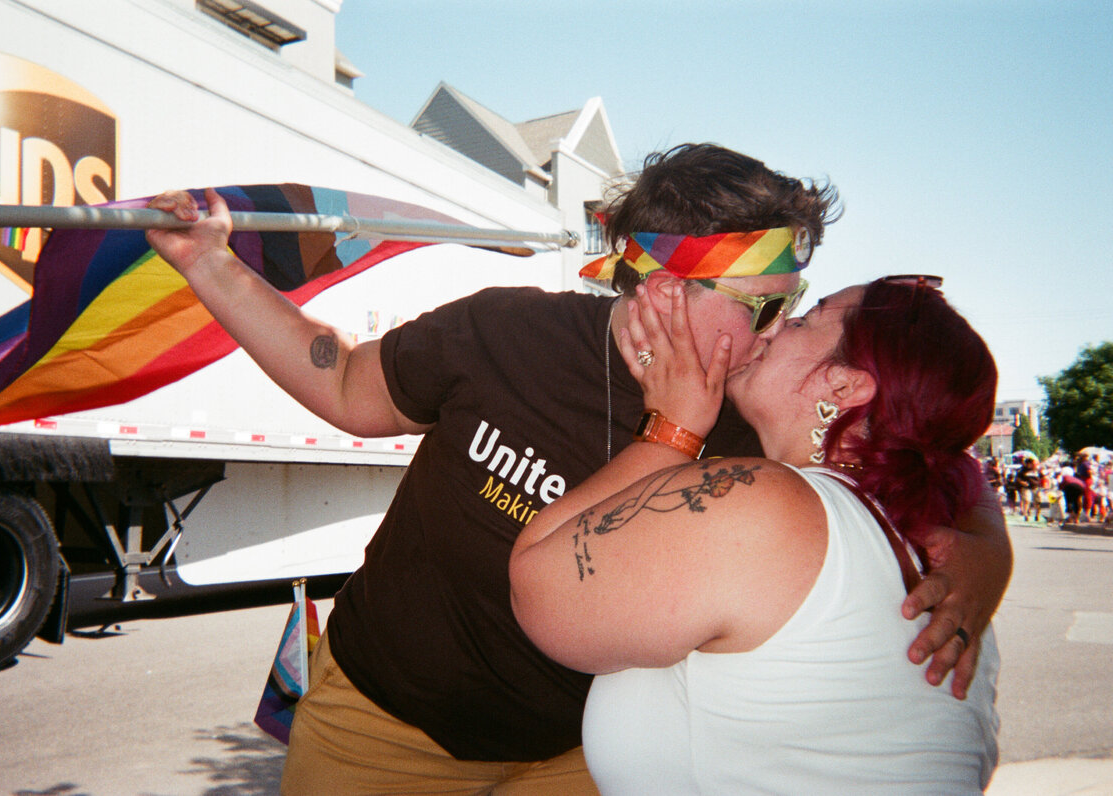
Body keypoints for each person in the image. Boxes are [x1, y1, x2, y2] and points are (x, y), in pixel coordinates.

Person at [145, 144, 1010, 793]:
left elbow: (935, 467)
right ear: (666, 288)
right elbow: (341, 383)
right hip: (384, 719)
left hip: (576, 756)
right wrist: (206, 262)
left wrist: (979, 559)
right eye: (768, 306)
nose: (783, 332)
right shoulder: (505, 333)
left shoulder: (760, 419)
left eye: (796, 305)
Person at [510, 276, 1002, 793]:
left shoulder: (770, 507)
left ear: (844, 386)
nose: (774, 326)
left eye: (806, 319)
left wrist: (672, 428)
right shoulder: (931, 546)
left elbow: (536, 588)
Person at [1015, 456, 1043, 521]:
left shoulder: (1037, 470)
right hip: (1026, 487)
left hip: (1036, 487)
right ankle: (1026, 515)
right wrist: (1022, 482)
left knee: (1037, 502)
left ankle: (1037, 515)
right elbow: (1018, 479)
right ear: (1028, 464)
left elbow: (1042, 477)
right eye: (1032, 464)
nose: (1034, 465)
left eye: (1035, 464)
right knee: (1027, 500)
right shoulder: (1022, 470)